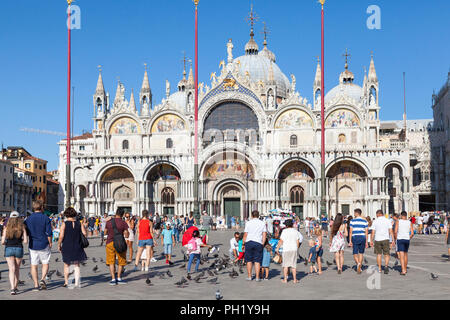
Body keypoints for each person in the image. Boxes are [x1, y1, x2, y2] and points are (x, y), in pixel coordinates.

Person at [25, 200, 53, 291]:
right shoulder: (46, 218)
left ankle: (36, 285)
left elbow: (26, 232)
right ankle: (42, 279)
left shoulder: (28, 219)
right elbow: (49, 233)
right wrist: (50, 242)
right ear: (41, 207)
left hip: (33, 244)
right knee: (45, 263)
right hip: (44, 243)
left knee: (34, 265)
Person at [57, 207, 87, 288]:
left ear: (66, 214)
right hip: (77, 245)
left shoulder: (64, 224)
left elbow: (61, 236)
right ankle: (77, 283)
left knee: (66, 264)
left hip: (67, 245)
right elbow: (84, 233)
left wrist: (59, 245)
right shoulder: (79, 223)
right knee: (77, 265)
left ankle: (66, 282)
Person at [1, 211, 28, 295]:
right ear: (18, 218)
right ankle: (16, 287)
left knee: (11, 269)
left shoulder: (6, 228)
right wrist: (21, 240)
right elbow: (26, 241)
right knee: (17, 269)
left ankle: (12, 288)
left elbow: (2, 242)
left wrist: (7, 243)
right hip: (19, 248)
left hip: (9, 248)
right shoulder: (22, 227)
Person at [104, 209, 129, 285]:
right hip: (120, 243)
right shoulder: (123, 223)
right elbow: (126, 235)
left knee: (111, 262)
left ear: (116, 214)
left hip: (110, 243)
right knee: (121, 261)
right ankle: (119, 277)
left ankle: (113, 279)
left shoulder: (109, 222)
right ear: (122, 215)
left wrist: (106, 236)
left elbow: (105, 232)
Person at [243, 210, 267, 282]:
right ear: (259, 215)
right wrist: (262, 243)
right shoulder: (262, 223)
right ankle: (257, 277)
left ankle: (250, 276)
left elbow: (245, 234)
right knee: (257, 261)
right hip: (258, 242)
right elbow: (264, 234)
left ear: (252, 215)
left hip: (249, 242)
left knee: (249, 260)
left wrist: (243, 243)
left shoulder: (248, 223)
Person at [275, 219, 301, 283]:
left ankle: (285, 279)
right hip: (294, 249)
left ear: (286, 225)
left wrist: (277, 248)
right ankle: (295, 279)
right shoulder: (295, 231)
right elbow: (298, 241)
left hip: (286, 249)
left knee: (285, 265)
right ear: (292, 224)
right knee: (293, 265)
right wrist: (297, 248)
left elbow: (281, 241)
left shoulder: (284, 231)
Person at [370, 210, 394, 274]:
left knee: (379, 254)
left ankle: (380, 268)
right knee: (386, 254)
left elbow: (373, 232)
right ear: (382, 214)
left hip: (377, 239)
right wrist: (393, 240)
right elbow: (391, 231)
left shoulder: (375, 221)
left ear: (378, 214)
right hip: (386, 239)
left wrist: (371, 240)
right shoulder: (388, 220)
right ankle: (386, 266)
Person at [349, 209, 368, 274]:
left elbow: (351, 231)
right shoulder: (365, 221)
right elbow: (366, 232)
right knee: (361, 253)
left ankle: (358, 264)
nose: (354, 214)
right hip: (363, 237)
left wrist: (350, 241)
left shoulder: (352, 221)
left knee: (355, 252)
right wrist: (366, 242)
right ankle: (359, 264)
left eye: (354, 213)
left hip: (355, 236)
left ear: (356, 213)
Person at [395, 211, 414, 275]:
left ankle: (403, 270)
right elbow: (412, 233)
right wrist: (409, 237)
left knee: (401, 255)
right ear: (406, 215)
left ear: (401, 215)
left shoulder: (398, 221)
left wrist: (395, 239)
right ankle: (405, 268)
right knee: (405, 254)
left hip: (400, 239)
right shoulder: (409, 222)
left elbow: (395, 231)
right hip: (407, 239)